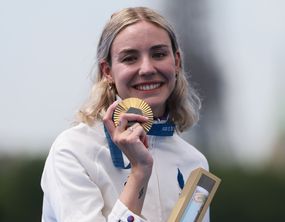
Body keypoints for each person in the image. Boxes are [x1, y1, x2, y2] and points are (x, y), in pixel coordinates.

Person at [41, 6, 209, 222]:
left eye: (158, 54)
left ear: (176, 62)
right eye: (130, 58)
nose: (147, 68)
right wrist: (140, 171)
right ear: (107, 71)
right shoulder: (73, 151)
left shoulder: (194, 162)